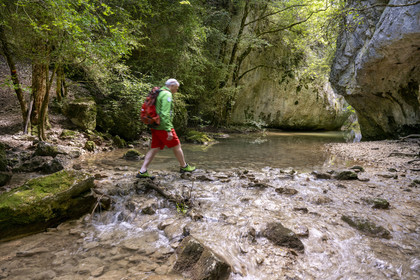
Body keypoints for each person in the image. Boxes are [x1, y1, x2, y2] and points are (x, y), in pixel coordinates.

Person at [137, 78, 196, 178]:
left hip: (155, 125)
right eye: (176, 89)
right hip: (163, 125)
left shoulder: (159, 93)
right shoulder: (167, 94)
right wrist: (168, 130)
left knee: (154, 148)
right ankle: (184, 166)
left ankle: (142, 171)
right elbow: (165, 114)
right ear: (172, 86)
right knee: (177, 145)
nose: (176, 91)